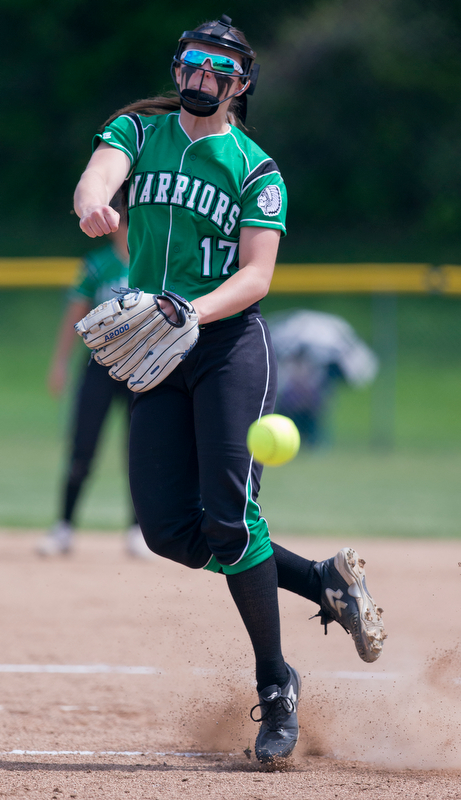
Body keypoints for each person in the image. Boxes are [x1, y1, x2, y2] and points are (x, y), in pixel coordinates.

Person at [73, 14, 386, 763]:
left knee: (230, 514)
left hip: (223, 347)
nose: (201, 78)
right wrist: (93, 203)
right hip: (157, 350)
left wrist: (194, 308)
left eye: (218, 69)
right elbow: (100, 173)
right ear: (177, 67)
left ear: (241, 84)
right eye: (191, 63)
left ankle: (276, 689)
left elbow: (256, 276)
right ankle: (321, 581)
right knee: (169, 533)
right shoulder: (138, 134)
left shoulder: (255, 169)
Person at [37, 196, 153, 559]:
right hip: (99, 369)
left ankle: (138, 530)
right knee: (82, 447)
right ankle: (64, 527)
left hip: (142, 369)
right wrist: (59, 363)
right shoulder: (97, 264)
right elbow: (74, 315)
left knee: (138, 452)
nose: (120, 228)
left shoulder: (155, 263)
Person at [268, 309, 379, 446]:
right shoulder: (291, 354)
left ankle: (314, 443)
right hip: (290, 399)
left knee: (313, 409)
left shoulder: (322, 363)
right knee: (287, 413)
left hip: (312, 401)